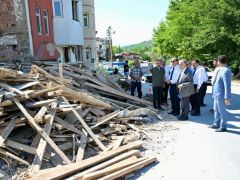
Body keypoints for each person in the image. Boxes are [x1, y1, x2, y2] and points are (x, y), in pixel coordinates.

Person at [209, 55, 231, 132]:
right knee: (216, 110)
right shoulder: (219, 69)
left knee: (222, 111)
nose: (216, 62)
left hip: (221, 95)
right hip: (216, 94)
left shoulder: (226, 70)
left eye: (217, 61)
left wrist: (227, 97)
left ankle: (223, 126)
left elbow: (227, 85)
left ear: (219, 61)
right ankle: (216, 123)